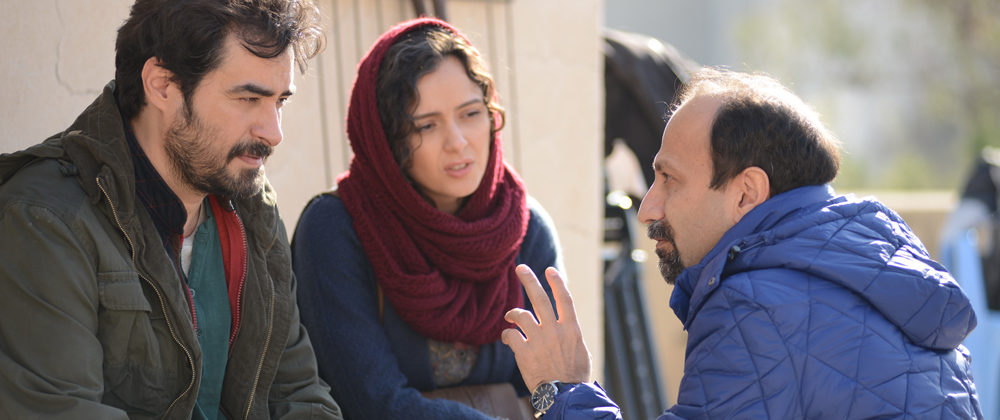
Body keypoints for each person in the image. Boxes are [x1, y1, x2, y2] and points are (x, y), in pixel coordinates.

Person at [501, 67, 983, 419]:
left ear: (746, 193)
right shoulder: (875, 266)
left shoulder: (756, 305)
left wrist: (560, 390)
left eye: (669, 179)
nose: (647, 208)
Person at [0, 1, 342, 418]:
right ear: (162, 86)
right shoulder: (46, 219)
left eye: (280, 101)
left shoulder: (253, 209)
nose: (273, 133)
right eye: (249, 98)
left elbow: (300, 393)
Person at [291, 18, 563, 419]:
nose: (458, 142)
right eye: (427, 125)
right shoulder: (336, 229)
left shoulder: (524, 227)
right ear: (387, 139)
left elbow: (553, 390)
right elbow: (373, 403)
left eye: (471, 113)